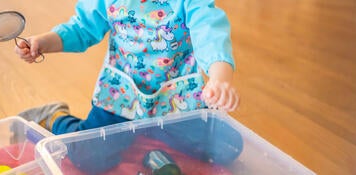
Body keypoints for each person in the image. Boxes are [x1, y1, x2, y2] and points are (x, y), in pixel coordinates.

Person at [14, 0, 242, 173]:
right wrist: (43, 42)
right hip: (122, 98)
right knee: (88, 155)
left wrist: (219, 78)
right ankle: (54, 117)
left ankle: (151, 129)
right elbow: (82, 28)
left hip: (177, 101)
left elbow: (210, 32)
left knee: (226, 146)